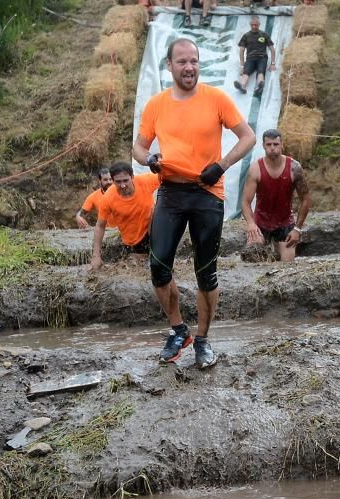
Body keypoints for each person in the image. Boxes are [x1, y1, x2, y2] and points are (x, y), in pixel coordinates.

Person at [132, 38, 256, 369]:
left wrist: (223, 164)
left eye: (195, 61)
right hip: (171, 193)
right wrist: (150, 159)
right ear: (169, 66)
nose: (190, 67)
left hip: (206, 193)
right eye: (183, 62)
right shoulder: (156, 104)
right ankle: (178, 330)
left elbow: (248, 137)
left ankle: (202, 340)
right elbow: (138, 148)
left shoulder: (216, 98)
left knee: (206, 274)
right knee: (158, 267)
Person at [240, 129, 312, 262]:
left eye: (275, 144)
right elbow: (245, 201)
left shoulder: (294, 168)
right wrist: (251, 224)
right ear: (263, 146)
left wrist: (297, 229)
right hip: (260, 222)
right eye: (269, 145)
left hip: (285, 223)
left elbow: (306, 199)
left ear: (282, 145)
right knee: (251, 259)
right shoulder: (255, 169)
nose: (272, 148)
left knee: (286, 269)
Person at [90, 162, 161, 270]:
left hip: (152, 230)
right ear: (112, 181)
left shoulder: (145, 181)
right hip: (132, 239)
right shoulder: (108, 197)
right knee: (137, 266)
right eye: (118, 182)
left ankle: (158, 251)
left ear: (132, 177)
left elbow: (167, 176)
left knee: (155, 210)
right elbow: (100, 226)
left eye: (125, 180)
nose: (122, 185)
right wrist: (96, 256)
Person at [234, 16, 276, 98]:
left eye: (256, 25)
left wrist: (273, 63)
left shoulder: (264, 35)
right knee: (245, 72)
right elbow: (241, 51)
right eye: (252, 25)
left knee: (261, 71)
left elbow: (272, 49)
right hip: (250, 58)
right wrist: (242, 66)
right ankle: (242, 86)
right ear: (250, 25)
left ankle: (260, 86)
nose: (254, 26)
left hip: (262, 58)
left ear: (259, 24)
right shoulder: (246, 36)